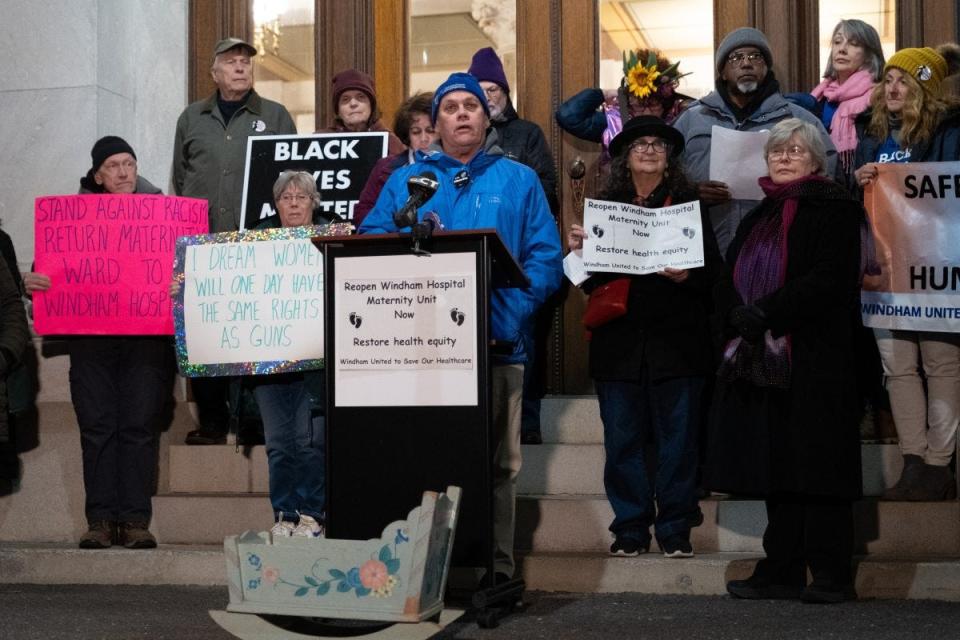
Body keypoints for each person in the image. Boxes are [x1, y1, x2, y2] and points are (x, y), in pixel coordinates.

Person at [360, 72, 563, 581]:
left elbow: (545, 259)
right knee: (428, 460)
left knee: (499, 468)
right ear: (434, 124)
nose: (462, 114)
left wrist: (509, 316)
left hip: (498, 346)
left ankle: (494, 570)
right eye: (450, 108)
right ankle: (426, 572)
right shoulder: (410, 181)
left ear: (487, 114)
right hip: (421, 351)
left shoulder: (519, 179)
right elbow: (370, 238)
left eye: (471, 105)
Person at [707, 118, 863, 604]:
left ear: (818, 159)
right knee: (780, 468)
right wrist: (736, 311)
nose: (786, 156)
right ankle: (783, 569)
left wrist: (766, 312)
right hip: (767, 356)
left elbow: (830, 278)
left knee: (820, 469)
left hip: (818, 355)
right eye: (778, 150)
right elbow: (731, 270)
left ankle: (833, 573)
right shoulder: (761, 213)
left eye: (797, 149)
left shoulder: (835, 208)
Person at [567, 116, 722, 558]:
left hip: (679, 344)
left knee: (678, 443)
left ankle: (675, 528)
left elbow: (715, 278)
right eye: (640, 144)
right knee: (622, 442)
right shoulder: (606, 206)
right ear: (625, 157)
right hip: (620, 346)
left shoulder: (689, 206)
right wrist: (581, 251)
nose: (650, 150)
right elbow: (589, 283)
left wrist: (688, 275)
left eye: (658, 144)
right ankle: (630, 528)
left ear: (669, 158)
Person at [25, 136, 176, 549]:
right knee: (97, 428)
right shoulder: (70, 220)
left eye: (129, 163)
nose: (124, 171)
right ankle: (100, 520)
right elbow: (48, 270)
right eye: (113, 165)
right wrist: (32, 282)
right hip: (92, 343)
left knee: (139, 427)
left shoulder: (162, 215)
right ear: (97, 175)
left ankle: (134, 521)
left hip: (145, 341)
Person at [172, 37, 297, 445]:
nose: (240, 67)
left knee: (253, 332)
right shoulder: (191, 118)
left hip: (255, 247)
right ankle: (211, 420)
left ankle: (252, 421)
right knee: (206, 332)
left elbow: (293, 179)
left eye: (245, 61)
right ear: (214, 73)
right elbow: (180, 177)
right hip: (204, 246)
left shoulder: (275, 115)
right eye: (231, 61)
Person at [853, 44, 960, 501]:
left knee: (941, 363)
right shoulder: (872, 134)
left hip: (936, 266)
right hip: (886, 267)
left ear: (924, 90)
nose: (892, 88)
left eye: (905, 81)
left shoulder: (951, 131)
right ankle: (913, 462)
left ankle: (940, 464)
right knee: (897, 367)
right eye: (889, 78)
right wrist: (857, 179)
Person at [672, 27, 837, 256]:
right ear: (723, 72)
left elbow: (828, 179)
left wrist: (793, 193)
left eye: (755, 57)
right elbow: (664, 179)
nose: (746, 63)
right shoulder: (691, 120)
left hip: (779, 251)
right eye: (736, 57)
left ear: (767, 68)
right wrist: (691, 193)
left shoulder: (800, 120)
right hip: (703, 253)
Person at [468, 46, 560, 445]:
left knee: (526, 339)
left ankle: (529, 421)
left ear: (506, 93)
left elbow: (549, 190)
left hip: (518, 255)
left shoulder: (528, 134)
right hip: (472, 261)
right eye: (481, 90)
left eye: (495, 89)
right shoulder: (461, 142)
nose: (489, 96)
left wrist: (507, 191)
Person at [255, 171, 328, 537]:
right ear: (276, 204)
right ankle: (284, 513)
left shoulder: (332, 241)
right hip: (268, 362)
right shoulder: (254, 244)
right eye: (286, 197)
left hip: (315, 362)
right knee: (279, 445)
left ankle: (313, 514)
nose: (295, 203)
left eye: (302, 196)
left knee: (310, 442)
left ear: (313, 202)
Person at [787, 20, 884, 190]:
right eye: (837, 42)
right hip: (822, 189)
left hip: (865, 190)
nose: (842, 49)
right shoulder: (820, 97)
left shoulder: (878, 98)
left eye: (853, 44)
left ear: (870, 55)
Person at [556, 48, 691, 152]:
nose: (646, 113)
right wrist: (606, 93)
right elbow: (567, 116)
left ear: (665, 102)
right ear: (629, 101)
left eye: (654, 105)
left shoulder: (679, 119)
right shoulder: (614, 122)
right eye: (639, 106)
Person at [352, 92, 437, 226]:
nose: (424, 139)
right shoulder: (386, 167)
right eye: (416, 132)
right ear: (407, 134)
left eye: (430, 131)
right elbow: (362, 213)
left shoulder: (452, 167)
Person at [319, 68, 405, 156]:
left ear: (371, 105)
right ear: (338, 110)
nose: (353, 103)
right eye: (345, 99)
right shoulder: (319, 141)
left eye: (360, 97)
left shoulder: (391, 142)